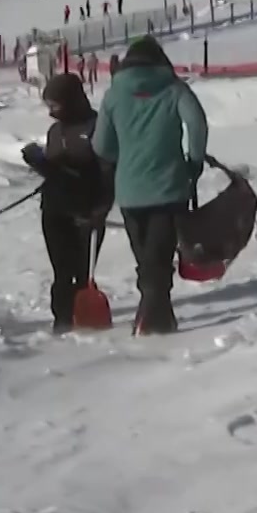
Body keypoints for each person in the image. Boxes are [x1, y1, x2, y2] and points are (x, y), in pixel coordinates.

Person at [93, 37, 208, 335]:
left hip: (129, 190)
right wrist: (194, 161)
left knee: (146, 257)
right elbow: (197, 123)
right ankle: (154, 318)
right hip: (170, 186)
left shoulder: (114, 95)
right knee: (158, 257)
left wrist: (125, 154)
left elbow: (102, 146)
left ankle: (156, 315)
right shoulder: (174, 89)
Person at [20, 74, 114, 332]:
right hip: (55, 209)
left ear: (72, 101)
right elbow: (57, 172)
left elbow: (107, 170)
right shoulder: (55, 131)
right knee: (62, 271)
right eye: (48, 106)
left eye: (55, 105)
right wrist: (39, 163)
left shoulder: (97, 127)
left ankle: (84, 320)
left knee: (82, 272)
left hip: (87, 211)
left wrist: (101, 207)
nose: (51, 112)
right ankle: (62, 321)